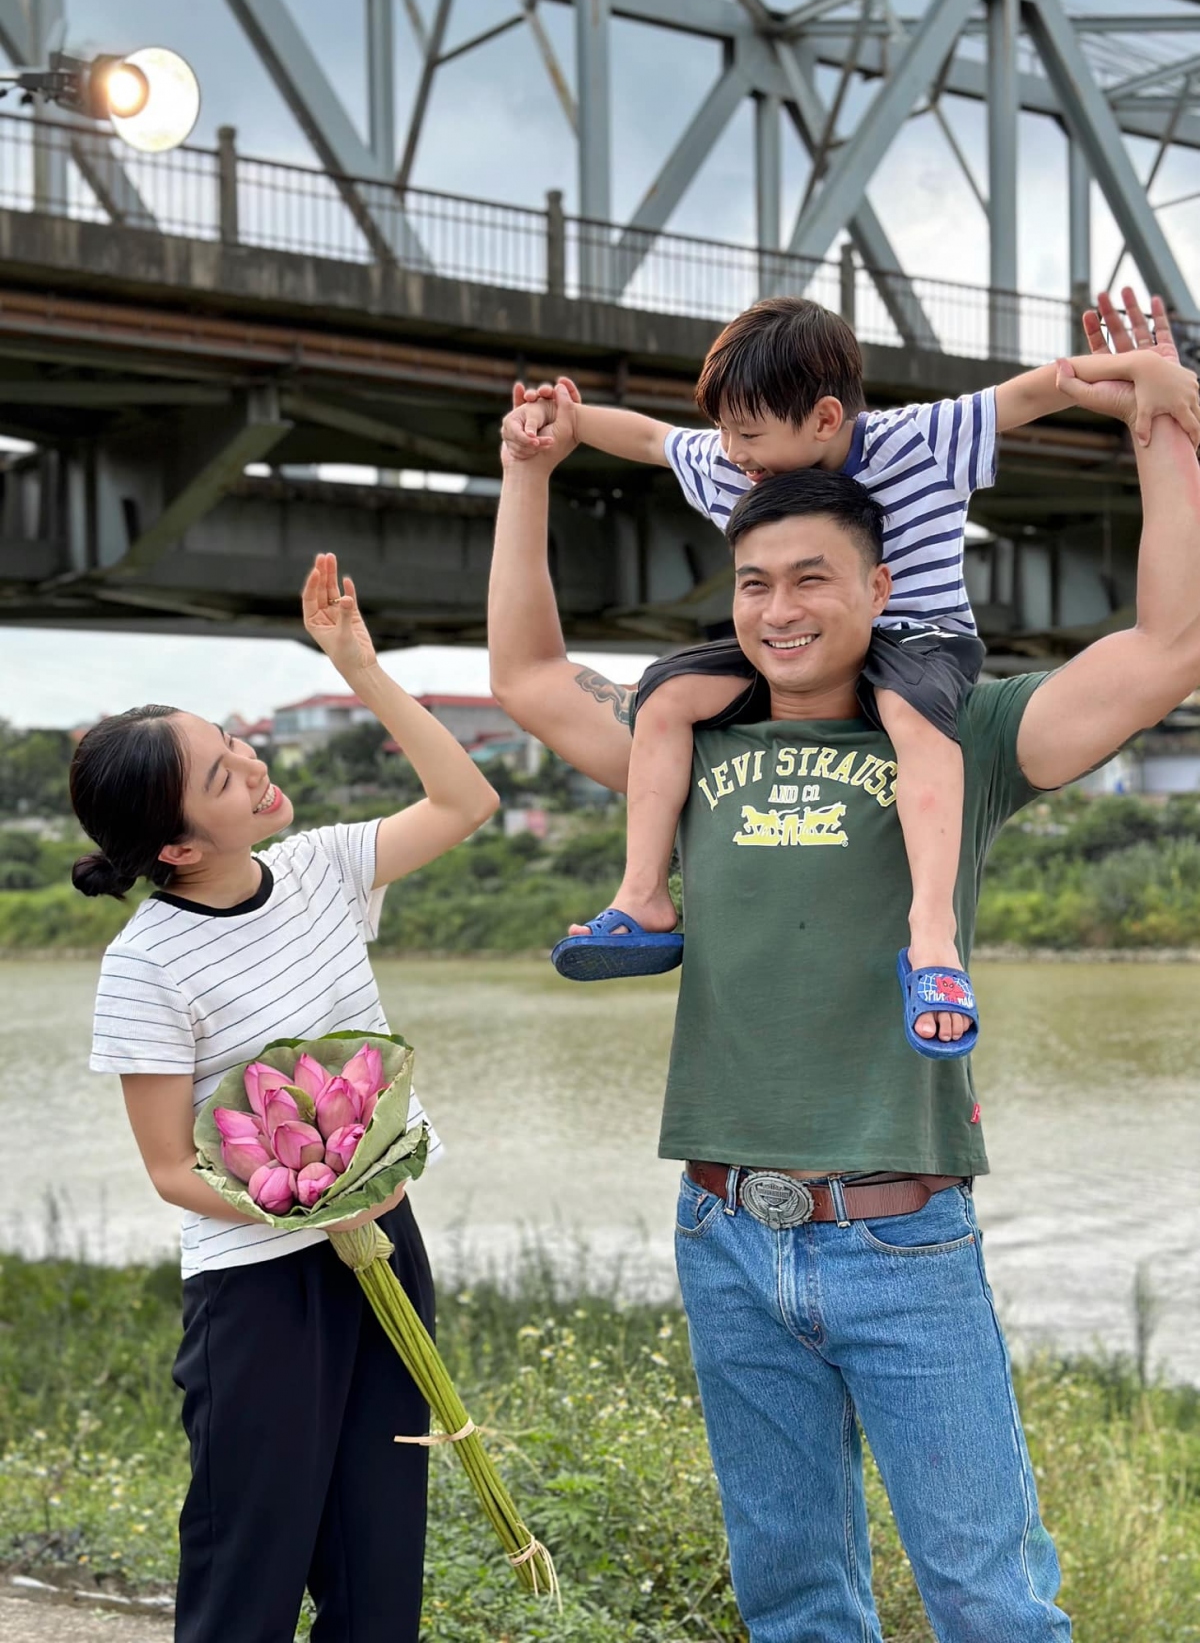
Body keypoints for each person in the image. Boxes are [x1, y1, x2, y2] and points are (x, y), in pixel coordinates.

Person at [488, 293, 1200, 1640]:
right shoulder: (691, 745)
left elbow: (1169, 647)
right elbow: (527, 678)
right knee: (798, 1600)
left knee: (992, 1603)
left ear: (882, 588)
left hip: (904, 1233)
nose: (779, 607)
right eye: (754, 582)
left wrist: (1163, 419)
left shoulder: (967, 735)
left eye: (813, 577)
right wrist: (530, 474)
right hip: (723, 1230)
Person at [502, 292, 1200, 1056]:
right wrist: (554, 439)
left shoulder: (916, 444)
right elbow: (652, 441)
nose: (735, 452)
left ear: (827, 419)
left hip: (924, 647)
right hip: (713, 1176)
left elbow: (1041, 387)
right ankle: (642, 896)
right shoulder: (737, 464)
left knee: (911, 712)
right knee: (667, 690)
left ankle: (932, 944)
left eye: (810, 580)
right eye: (755, 583)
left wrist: (1145, 387)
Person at [73, 553, 498, 1643]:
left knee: (377, 1558)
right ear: (175, 848)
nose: (251, 766)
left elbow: (468, 798)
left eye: (233, 743)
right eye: (222, 777)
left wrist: (358, 663)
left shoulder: (321, 871)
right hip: (260, 1296)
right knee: (248, 1574)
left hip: (384, 1247)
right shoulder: (148, 964)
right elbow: (172, 1170)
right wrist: (311, 1207)